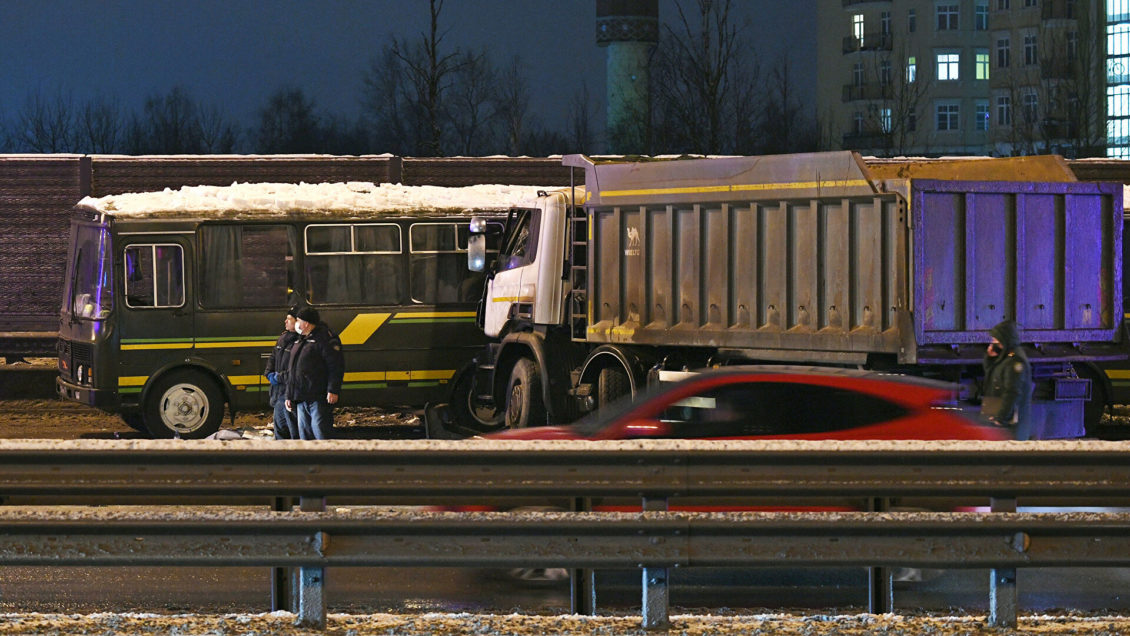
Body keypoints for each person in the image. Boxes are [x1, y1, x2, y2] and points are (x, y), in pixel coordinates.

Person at [284, 307, 344, 440]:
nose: (296, 323)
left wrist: (333, 389)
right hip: (300, 396)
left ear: (306, 323)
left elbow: (335, 366)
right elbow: (292, 371)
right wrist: (289, 395)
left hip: (318, 396)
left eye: (298, 320)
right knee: (305, 435)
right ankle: (309, 460)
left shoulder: (324, 339)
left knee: (320, 431)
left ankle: (325, 459)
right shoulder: (300, 340)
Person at [981, 319, 1033, 440]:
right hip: (1002, 421)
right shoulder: (1004, 358)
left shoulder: (1014, 361)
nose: (993, 343)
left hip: (1010, 425)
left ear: (1005, 340)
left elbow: (1012, 392)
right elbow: (990, 374)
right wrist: (989, 358)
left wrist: (1001, 418)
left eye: (995, 340)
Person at [265, 306, 301, 440]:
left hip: (289, 391)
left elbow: (297, 369)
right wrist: (268, 373)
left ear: (297, 322)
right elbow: (273, 356)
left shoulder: (300, 342)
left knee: (292, 428)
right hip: (279, 391)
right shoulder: (283, 338)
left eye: (289, 319)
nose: (285, 321)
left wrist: (278, 377)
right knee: (279, 427)